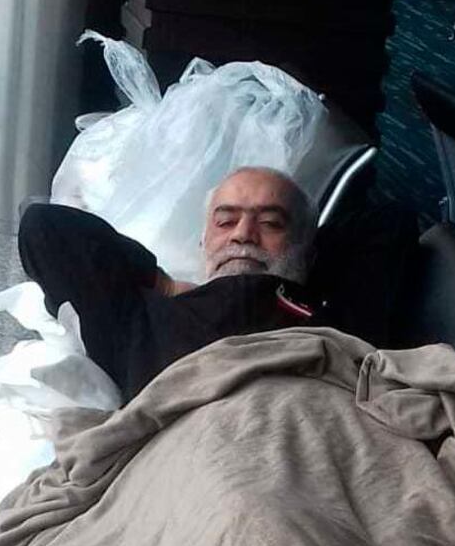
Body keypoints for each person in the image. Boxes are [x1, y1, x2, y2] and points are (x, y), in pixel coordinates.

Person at [18, 166, 323, 404]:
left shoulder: (325, 323)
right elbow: (44, 227)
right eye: (225, 222)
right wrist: (162, 283)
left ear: (305, 248)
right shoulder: (143, 320)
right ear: (204, 241)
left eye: (270, 223)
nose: (242, 235)